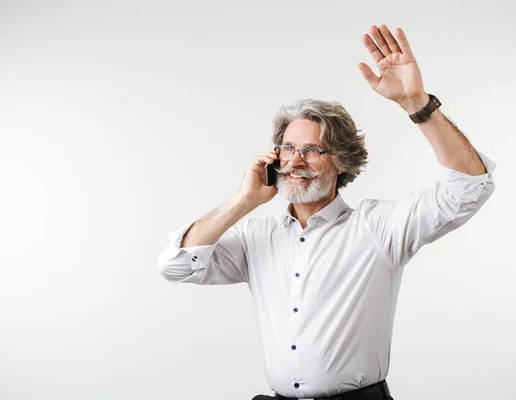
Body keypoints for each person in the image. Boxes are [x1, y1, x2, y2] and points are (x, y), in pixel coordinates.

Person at [157, 25, 496, 400]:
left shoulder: (378, 227)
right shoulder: (255, 237)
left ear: (341, 161)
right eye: (288, 148)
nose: (296, 161)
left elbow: (468, 189)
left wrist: (417, 103)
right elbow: (176, 265)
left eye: (312, 150)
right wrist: (245, 201)